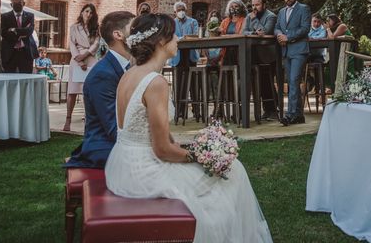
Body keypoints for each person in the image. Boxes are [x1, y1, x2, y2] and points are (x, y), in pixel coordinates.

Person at [105, 13, 273, 243]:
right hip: (142, 171)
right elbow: (162, 150)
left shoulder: (129, 74)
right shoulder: (156, 83)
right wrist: (201, 157)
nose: (178, 39)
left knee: (223, 174)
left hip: (121, 163)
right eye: (174, 35)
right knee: (234, 173)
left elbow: (154, 134)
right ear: (161, 41)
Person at [66, 11, 135, 168]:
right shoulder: (103, 75)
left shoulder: (128, 66)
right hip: (105, 149)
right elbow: (113, 130)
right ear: (118, 35)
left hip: (123, 143)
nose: (140, 33)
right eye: (134, 28)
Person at [274, 0, 311, 126]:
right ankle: (299, 116)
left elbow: (305, 28)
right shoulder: (281, 11)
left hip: (299, 50)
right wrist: (279, 36)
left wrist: (288, 37)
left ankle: (289, 115)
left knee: (294, 81)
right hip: (286, 51)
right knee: (290, 83)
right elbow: (277, 27)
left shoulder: (304, 8)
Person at [65, 4, 101, 131]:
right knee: (72, 91)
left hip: (90, 58)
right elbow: (72, 44)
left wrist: (86, 54)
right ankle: (68, 119)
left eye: (91, 12)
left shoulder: (96, 28)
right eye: (86, 11)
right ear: (82, 12)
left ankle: (88, 119)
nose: (88, 14)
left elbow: (97, 43)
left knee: (89, 91)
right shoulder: (74, 27)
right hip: (76, 59)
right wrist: (79, 60)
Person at [243, 0, 278, 120]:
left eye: (257, 5)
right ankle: (266, 110)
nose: (254, 8)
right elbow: (244, 32)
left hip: (268, 55)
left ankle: (273, 109)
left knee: (267, 83)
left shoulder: (271, 17)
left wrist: (255, 21)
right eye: (253, 5)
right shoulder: (249, 16)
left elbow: (265, 32)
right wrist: (254, 32)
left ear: (264, 5)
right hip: (253, 55)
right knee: (258, 83)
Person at [169, 1, 200, 119]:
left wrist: (181, 39)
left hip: (191, 56)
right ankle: (179, 112)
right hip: (177, 57)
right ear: (175, 12)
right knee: (178, 86)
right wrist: (183, 38)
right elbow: (171, 38)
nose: (181, 12)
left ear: (185, 11)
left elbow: (195, 36)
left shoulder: (193, 22)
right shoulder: (172, 23)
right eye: (178, 10)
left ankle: (197, 112)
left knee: (193, 85)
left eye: (183, 9)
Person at [1, 0, 36, 73]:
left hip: (26, 52)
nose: (17, 5)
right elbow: (4, 33)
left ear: (23, 3)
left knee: (26, 79)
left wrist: (14, 30)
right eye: (15, 3)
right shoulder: (4, 17)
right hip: (9, 52)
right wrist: (20, 35)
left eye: (19, 3)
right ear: (11, 5)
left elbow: (29, 31)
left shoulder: (30, 16)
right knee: (8, 78)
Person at [218, 0, 247, 65]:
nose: (233, 8)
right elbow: (220, 35)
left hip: (238, 47)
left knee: (232, 52)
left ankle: (234, 73)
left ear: (241, 8)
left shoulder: (245, 20)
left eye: (236, 6)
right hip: (226, 47)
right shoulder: (225, 21)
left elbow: (241, 34)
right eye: (231, 7)